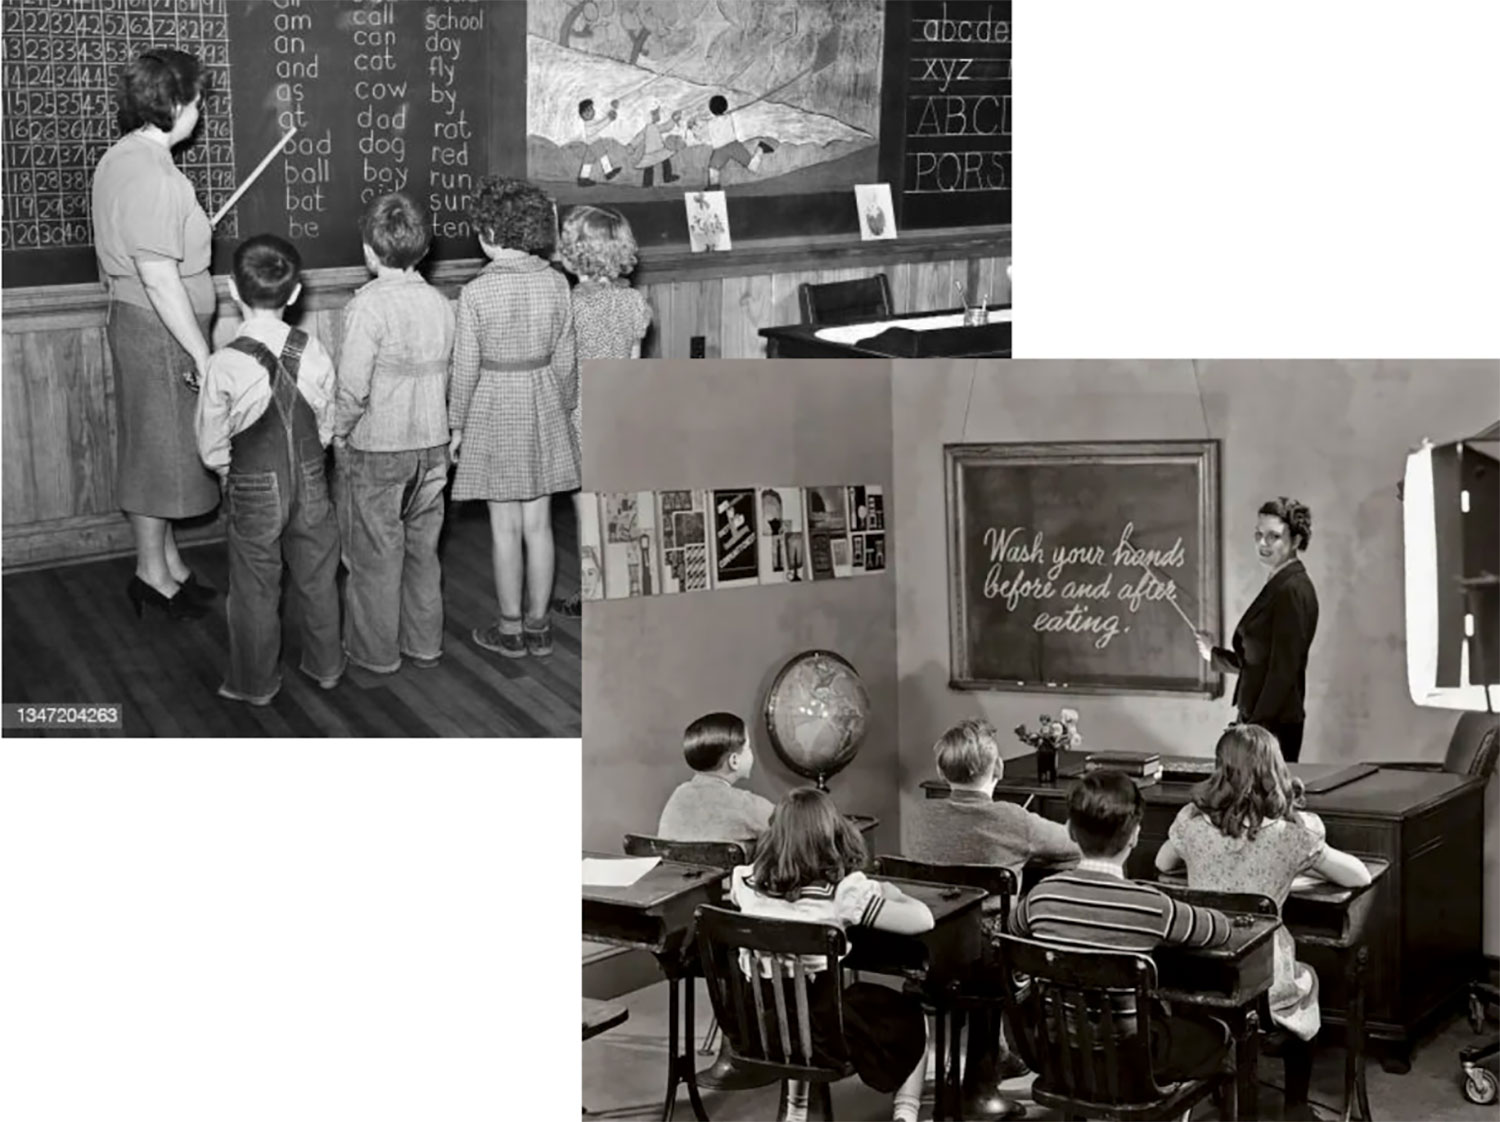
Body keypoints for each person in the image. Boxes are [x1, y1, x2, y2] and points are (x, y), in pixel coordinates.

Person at [1155, 724, 1371, 1120]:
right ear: (1276, 771)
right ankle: (1295, 1105)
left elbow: (1162, 863)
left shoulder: (1190, 821)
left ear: (1221, 769)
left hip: (1197, 973)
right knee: (1307, 979)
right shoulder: (1293, 833)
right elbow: (1359, 876)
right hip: (1264, 984)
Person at [92, 48, 220, 619]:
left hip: (140, 322)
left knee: (159, 447)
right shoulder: (150, 175)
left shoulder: (127, 158)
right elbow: (160, 278)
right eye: (196, 101)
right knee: (156, 453)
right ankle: (151, 573)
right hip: (159, 330)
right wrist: (203, 351)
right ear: (174, 104)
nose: (201, 112)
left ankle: (168, 564)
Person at [1011, 770, 1234, 1090]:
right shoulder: (1151, 905)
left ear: (1071, 831)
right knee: (1217, 1034)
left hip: (1056, 1059)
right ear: (1134, 835)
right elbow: (1219, 930)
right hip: (1130, 1066)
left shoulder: (1042, 895)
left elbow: (1010, 934)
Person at [195, 235, 341, 705]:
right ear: (295, 293)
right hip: (313, 476)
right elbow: (327, 422)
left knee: (255, 584)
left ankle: (255, 683)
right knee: (318, 574)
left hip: (253, 485)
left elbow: (210, 444)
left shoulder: (223, 363)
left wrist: (225, 471)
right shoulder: (314, 350)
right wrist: (311, 460)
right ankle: (327, 665)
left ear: (233, 290)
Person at [730, 787, 933, 1122]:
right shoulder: (842, 893)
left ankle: (795, 1112)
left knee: (794, 1005)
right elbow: (922, 920)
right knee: (909, 1011)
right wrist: (891, 892)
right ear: (831, 833)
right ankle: (906, 1114)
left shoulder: (745, 881)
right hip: (824, 1037)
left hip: (759, 1030)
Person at [906, 719, 1081, 1101]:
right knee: (1014, 945)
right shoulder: (1013, 820)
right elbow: (1076, 845)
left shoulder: (920, 816)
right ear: (998, 769)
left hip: (923, 955)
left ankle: (993, 1060)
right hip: (987, 965)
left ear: (941, 771)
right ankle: (988, 1079)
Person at [449, 176, 579, 658]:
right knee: (539, 524)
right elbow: (566, 361)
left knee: (504, 527)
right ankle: (540, 625)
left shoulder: (476, 293)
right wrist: (562, 406)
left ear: (487, 233)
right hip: (543, 399)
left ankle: (509, 629)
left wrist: (456, 424)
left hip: (494, 404)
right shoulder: (556, 282)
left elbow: (464, 368)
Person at [333, 192, 456, 674]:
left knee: (375, 554)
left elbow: (352, 387)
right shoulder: (441, 303)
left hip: (380, 448)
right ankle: (425, 643)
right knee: (424, 552)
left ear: (367, 249)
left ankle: (374, 651)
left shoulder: (366, 308)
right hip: (433, 445)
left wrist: (338, 432)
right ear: (425, 251)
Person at [551, 204, 651, 617]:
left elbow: (562, 373)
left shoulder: (568, 306)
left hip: (579, 416)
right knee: (620, 506)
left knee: (585, 510)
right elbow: (633, 363)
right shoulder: (632, 302)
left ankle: (593, 592)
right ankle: (627, 588)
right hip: (620, 414)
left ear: (573, 254)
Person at [1195, 496, 1320, 762]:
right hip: (1260, 723)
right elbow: (1258, 661)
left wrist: (1253, 731)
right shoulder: (1280, 583)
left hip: (1271, 728)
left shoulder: (1292, 590)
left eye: (1274, 536)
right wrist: (1213, 655)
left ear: (1296, 541)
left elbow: (1283, 671)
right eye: (1259, 534)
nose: (1263, 543)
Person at [657, 712, 774, 844]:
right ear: (734, 761)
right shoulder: (750, 806)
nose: (751, 752)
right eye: (748, 747)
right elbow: (789, 832)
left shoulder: (677, 798)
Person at [575, 98, 620, 186]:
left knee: (588, 160)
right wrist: (609, 119)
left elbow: (601, 118)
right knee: (603, 156)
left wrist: (610, 109)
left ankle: (583, 178)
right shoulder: (589, 124)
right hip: (595, 142)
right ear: (583, 114)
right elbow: (599, 126)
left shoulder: (591, 122)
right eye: (588, 110)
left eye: (591, 109)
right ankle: (608, 172)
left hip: (591, 142)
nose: (591, 112)